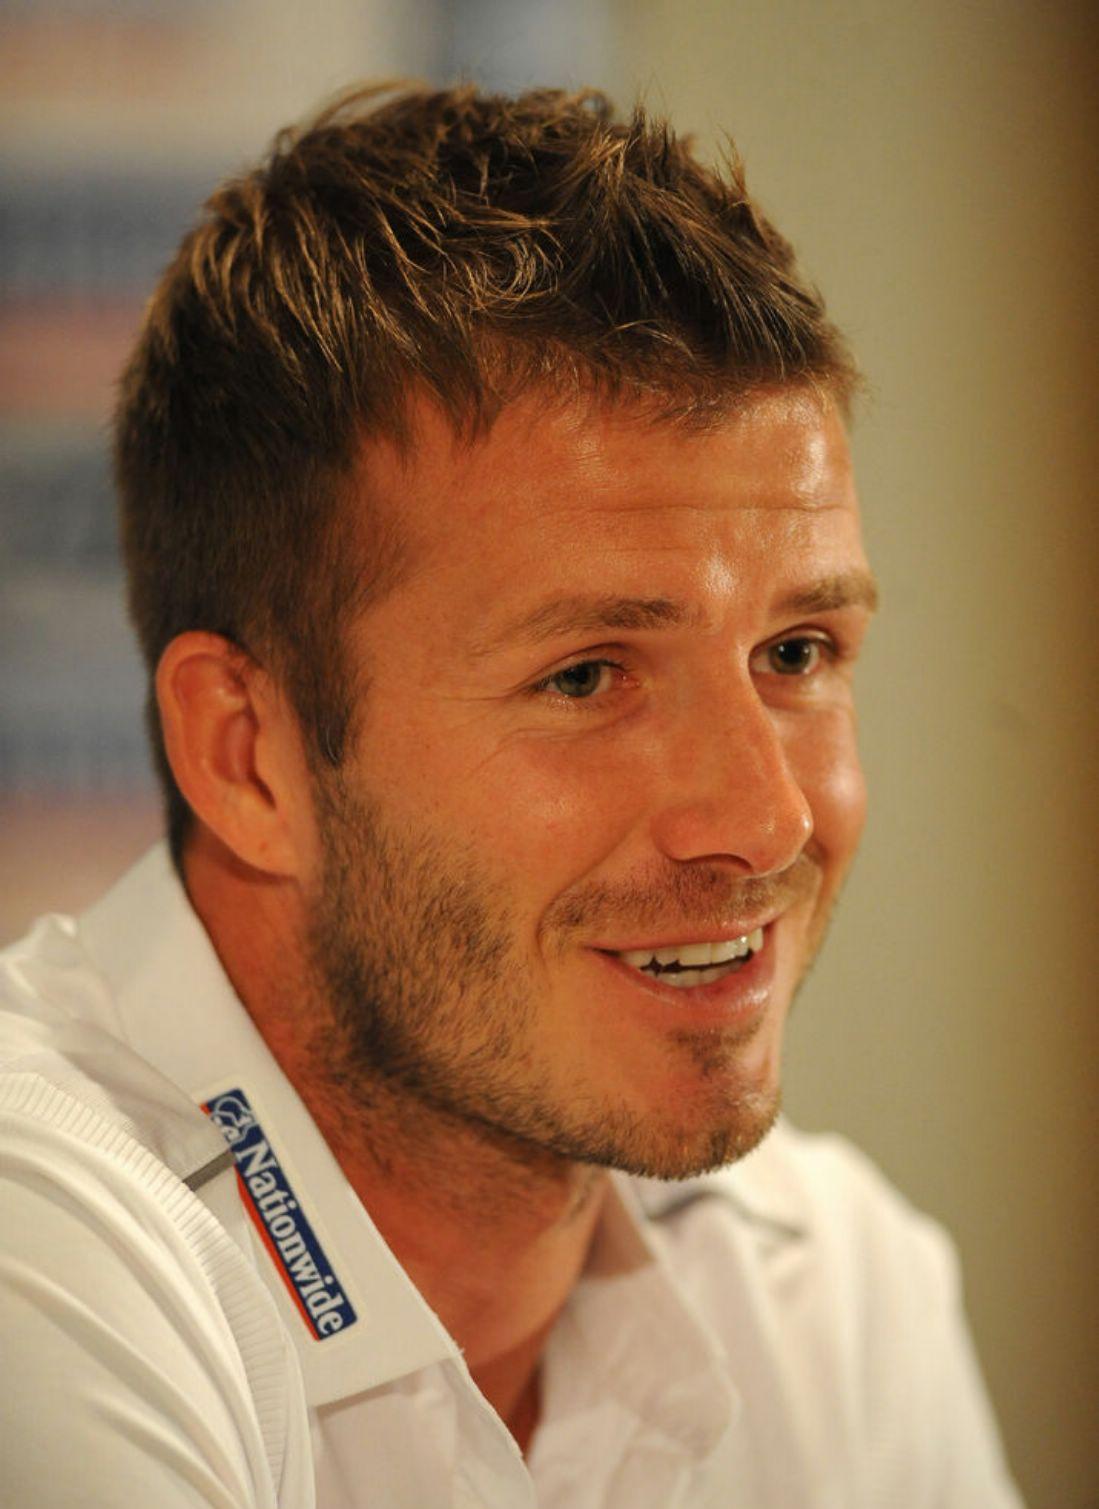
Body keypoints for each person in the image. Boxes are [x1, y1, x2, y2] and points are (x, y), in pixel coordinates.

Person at [0, 84, 1022, 1508]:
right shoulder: (40, 1251)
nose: (768, 819)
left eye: (797, 653)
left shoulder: (835, 1285)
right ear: (246, 755)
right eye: (588, 676)